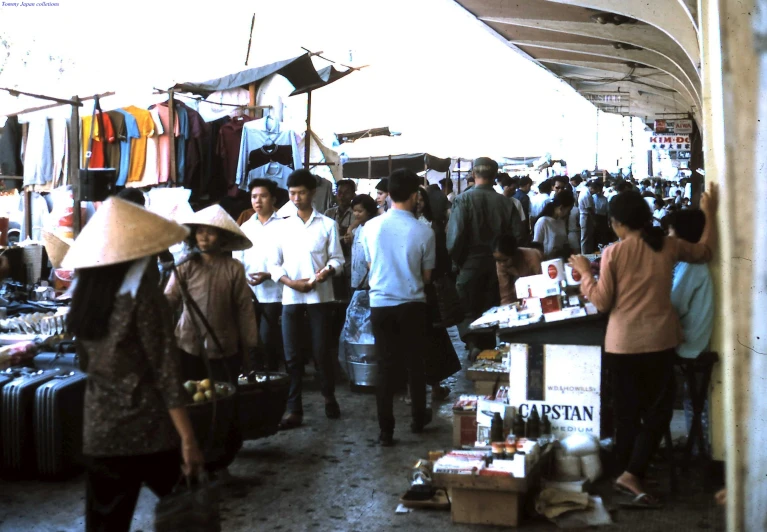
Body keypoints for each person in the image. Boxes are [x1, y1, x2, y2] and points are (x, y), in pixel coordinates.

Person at [568, 187, 717, 508]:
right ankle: (630, 474)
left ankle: (627, 473)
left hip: (623, 346)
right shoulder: (667, 245)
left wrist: (583, 273)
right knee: (658, 412)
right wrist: (712, 213)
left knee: (626, 414)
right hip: (660, 342)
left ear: (618, 222)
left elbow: (601, 302)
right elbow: (705, 251)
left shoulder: (614, 253)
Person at [65, 198, 204, 532]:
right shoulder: (143, 296)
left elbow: (85, 362)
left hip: (100, 431)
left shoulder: (85, 297)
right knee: (189, 514)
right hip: (149, 432)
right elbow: (167, 372)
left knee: (105, 524)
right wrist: (188, 438)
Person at [165, 204, 259, 472]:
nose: (204, 237)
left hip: (226, 348)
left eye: (211, 233)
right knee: (190, 406)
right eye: (200, 232)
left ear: (223, 238)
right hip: (187, 347)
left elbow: (244, 309)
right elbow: (168, 302)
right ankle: (191, 459)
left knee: (223, 408)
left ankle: (220, 460)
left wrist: (250, 346)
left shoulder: (233, 269)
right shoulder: (183, 268)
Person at [362, 169, 436, 446]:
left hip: (380, 304)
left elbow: (370, 266)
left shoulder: (370, 227)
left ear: (389, 194)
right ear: (416, 195)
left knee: (385, 367)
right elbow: (427, 277)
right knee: (415, 364)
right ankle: (418, 419)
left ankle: (386, 431)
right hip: (413, 305)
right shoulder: (424, 231)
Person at [268, 169, 345, 429]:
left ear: (312, 193)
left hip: (320, 298)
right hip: (290, 298)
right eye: (292, 193)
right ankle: (294, 408)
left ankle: (328, 396)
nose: (296, 197)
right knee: (292, 356)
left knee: (321, 352)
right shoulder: (280, 225)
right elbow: (274, 264)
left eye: (301, 192)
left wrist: (326, 272)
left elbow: (338, 259)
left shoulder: (327, 225)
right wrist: (290, 283)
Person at [446, 157, 518, 345]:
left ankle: (473, 345)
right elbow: (517, 237)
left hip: (469, 263)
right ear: (495, 176)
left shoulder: (463, 200)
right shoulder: (507, 203)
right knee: (492, 308)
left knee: (468, 309)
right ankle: (487, 345)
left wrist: (457, 263)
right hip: (499, 267)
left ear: (473, 174)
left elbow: (454, 239)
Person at [665, 209, 715, 456]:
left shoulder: (691, 267)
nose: (668, 236)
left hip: (690, 344)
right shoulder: (691, 264)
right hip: (694, 340)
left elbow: (674, 304)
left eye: (671, 231)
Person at [236, 178, 285, 371]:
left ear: (273, 199)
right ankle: (256, 379)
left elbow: (290, 260)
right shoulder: (245, 227)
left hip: (275, 292)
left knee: (268, 339)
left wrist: (270, 274)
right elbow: (237, 259)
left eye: (263, 196)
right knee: (251, 340)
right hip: (249, 293)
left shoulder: (285, 226)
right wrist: (242, 282)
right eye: (254, 196)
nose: (258, 201)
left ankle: (272, 377)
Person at [493, 233, 543, 305]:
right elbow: (506, 295)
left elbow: (544, 284)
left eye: (505, 260)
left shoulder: (533, 256)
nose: (502, 264)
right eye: (498, 260)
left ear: (515, 253)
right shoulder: (500, 263)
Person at [533, 191, 575, 259]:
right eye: (568, 211)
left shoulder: (561, 222)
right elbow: (536, 246)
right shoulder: (543, 222)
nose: (569, 214)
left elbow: (564, 242)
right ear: (561, 208)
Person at [590, 180, 610, 247]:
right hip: (595, 217)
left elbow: (607, 210)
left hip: (603, 219)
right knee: (595, 235)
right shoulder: (593, 197)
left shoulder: (605, 199)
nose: (599, 190)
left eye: (600, 189)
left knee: (603, 235)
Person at [579, 182, 596, 254]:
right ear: (592, 188)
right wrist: (594, 219)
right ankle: (584, 254)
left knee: (587, 236)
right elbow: (589, 208)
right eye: (596, 190)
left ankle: (587, 252)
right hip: (585, 216)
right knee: (584, 237)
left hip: (586, 216)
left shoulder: (585, 191)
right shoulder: (586, 194)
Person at [514, 176, 533, 240]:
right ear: (528, 185)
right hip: (522, 226)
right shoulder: (524, 197)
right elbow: (525, 214)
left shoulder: (515, 194)